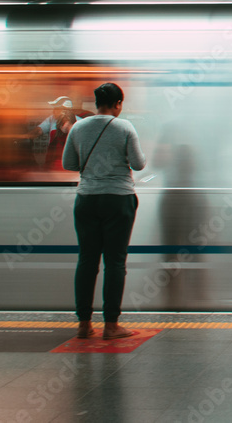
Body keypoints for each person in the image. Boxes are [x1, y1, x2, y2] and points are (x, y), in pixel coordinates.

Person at [62, 83, 147, 340]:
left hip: (86, 200)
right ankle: (111, 326)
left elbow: (69, 164)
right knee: (115, 262)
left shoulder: (78, 127)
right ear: (118, 104)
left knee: (87, 261)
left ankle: (84, 325)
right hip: (118, 200)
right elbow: (138, 163)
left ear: (96, 102)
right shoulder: (124, 127)